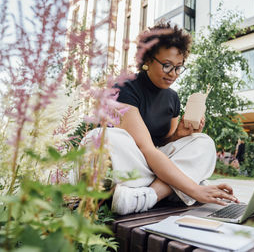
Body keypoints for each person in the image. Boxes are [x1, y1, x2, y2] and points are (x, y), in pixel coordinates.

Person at [83, 22, 238, 215]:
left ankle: (147, 195)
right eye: (167, 66)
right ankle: (174, 188)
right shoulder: (125, 88)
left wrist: (178, 136)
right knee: (105, 137)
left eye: (179, 67)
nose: (173, 74)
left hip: (150, 165)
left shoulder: (173, 98)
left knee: (203, 142)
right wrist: (195, 189)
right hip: (133, 160)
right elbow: (145, 148)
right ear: (147, 58)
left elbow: (163, 144)